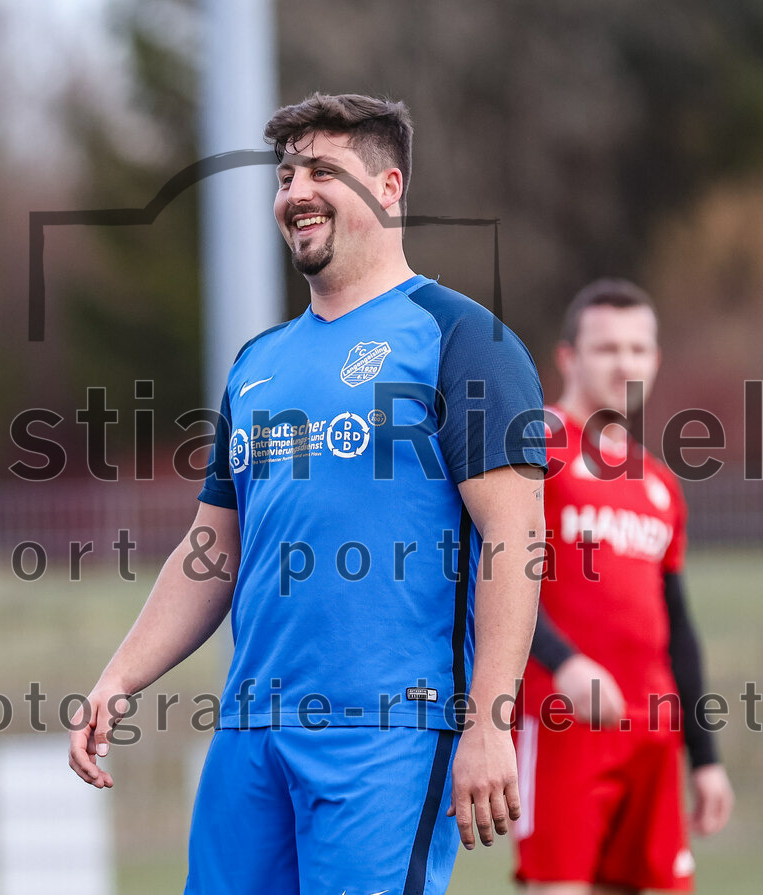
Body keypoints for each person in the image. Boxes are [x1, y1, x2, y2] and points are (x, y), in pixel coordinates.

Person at [69, 92, 547, 894]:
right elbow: (212, 549)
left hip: (389, 733)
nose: (295, 191)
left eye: (324, 169)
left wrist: (490, 723)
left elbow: (513, 537)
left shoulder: (463, 339)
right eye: (286, 173)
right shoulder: (257, 363)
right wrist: (118, 677)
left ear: (389, 188)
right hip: (251, 733)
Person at [514, 279, 735, 894]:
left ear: (655, 361)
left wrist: (707, 757)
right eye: (607, 348)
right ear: (568, 357)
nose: (624, 363)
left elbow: (677, 626)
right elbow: (493, 578)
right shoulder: (533, 448)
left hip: (653, 733)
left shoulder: (658, 483)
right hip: (560, 722)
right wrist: (562, 663)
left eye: (638, 350)